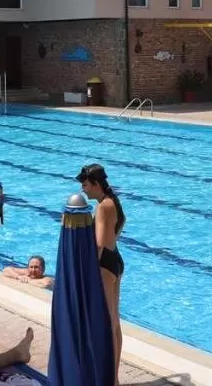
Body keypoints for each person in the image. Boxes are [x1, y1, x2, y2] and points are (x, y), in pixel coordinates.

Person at [77, 163, 125, 384]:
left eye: (85, 185)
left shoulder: (102, 207)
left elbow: (97, 244)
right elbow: (118, 227)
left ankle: (110, 379)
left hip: (104, 264)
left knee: (107, 323)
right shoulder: (113, 201)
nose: (83, 190)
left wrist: (88, 272)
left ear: (96, 184)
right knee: (114, 321)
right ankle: (113, 377)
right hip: (115, 259)